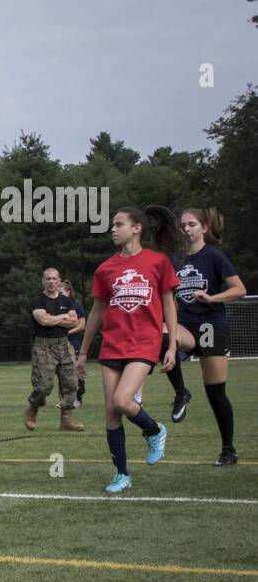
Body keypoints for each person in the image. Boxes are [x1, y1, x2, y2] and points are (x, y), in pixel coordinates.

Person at [75, 206, 183, 494]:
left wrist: (171, 343)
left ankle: (154, 430)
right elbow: (97, 312)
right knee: (111, 412)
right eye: (112, 224)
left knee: (123, 400)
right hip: (112, 345)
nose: (113, 229)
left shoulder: (158, 262)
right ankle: (122, 474)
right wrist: (84, 351)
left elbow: (169, 305)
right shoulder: (105, 268)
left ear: (136, 228)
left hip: (144, 343)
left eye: (118, 224)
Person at [162, 207, 246, 464]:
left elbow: (239, 289)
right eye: (183, 225)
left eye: (191, 225)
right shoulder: (175, 260)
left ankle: (228, 450)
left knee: (216, 393)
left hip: (211, 325)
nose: (186, 229)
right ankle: (181, 393)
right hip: (186, 324)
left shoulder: (214, 256)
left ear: (204, 228)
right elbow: (170, 297)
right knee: (163, 336)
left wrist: (212, 297)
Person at [25, 269, 84, 433]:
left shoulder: (68, 301)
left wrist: (54, 318)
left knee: (71, 383)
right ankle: (32, 408)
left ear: (59, 281)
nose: (51, 281)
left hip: (64, 345)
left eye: (54, 279)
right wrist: (62, 317)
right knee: (43, 386)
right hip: (44, 346)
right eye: (48, 279)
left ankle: (66, 420)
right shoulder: (37, 301)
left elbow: (74, 322)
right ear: (42, 281)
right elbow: (43, 320)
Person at [60, 279, 87, 408]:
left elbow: (82, 325)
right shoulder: (55, 306)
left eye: (61, 292)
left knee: (75, 370)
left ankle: (78, 397)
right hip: (58, 342)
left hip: (74, 341)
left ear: (68, 291)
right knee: (61, 371)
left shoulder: (76, 305)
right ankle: (64, 399)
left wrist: (67, 332)